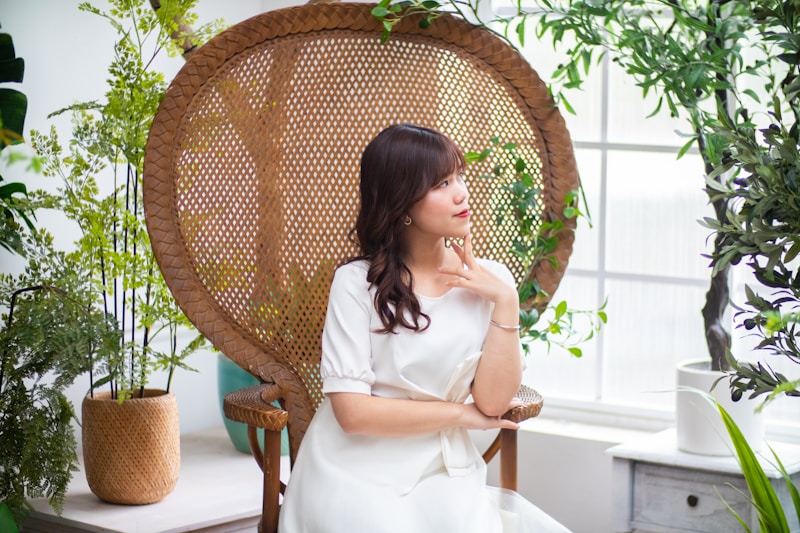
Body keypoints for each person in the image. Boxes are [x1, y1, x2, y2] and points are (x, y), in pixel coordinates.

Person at [278, 124, 571, 533]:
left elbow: (492, 403)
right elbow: (352, 414)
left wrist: (506, 302)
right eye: (441, 183)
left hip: (444, 469)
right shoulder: (357, 283)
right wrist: (459, 415)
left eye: (458, 176)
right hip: (355, 468)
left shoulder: (492, 281)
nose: (461, 192)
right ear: (401, 204)